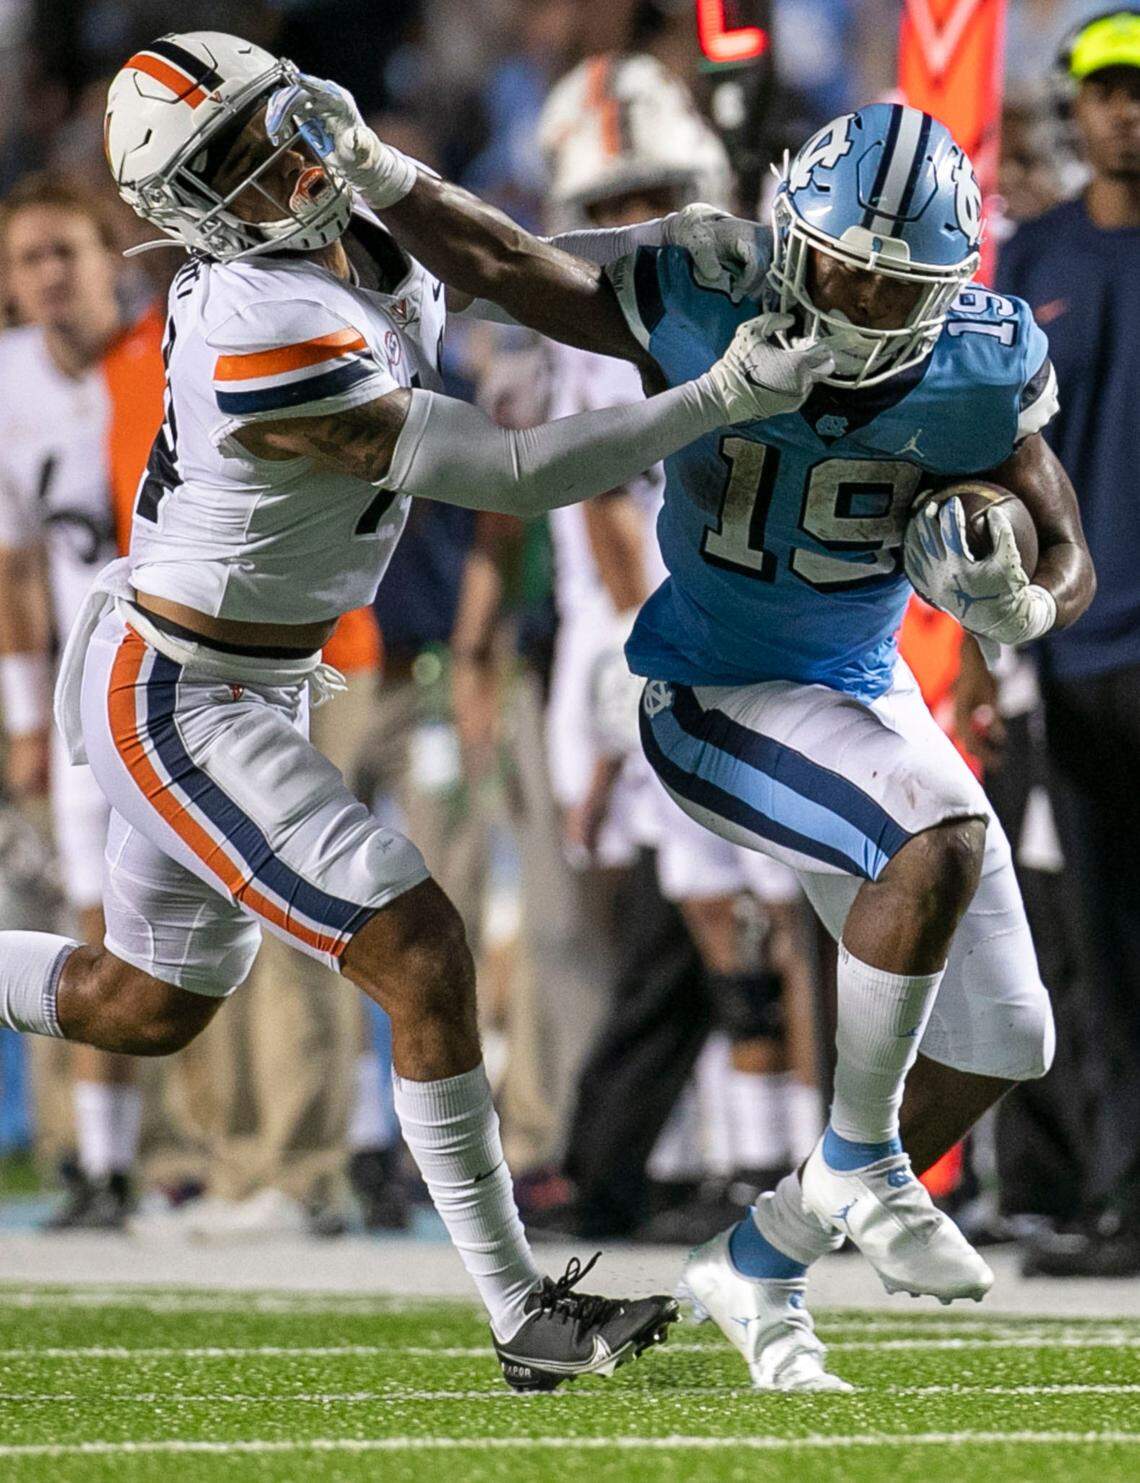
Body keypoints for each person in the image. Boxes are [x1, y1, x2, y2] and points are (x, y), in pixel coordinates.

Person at [0, 31, 833, 1391]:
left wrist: (673, 247)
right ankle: (524, 1313)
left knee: (140, 1004)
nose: (281, 164)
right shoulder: (255, 327)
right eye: (237, 160)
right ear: (187, 205)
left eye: (276, 126)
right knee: (421, 946)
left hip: (236, 671)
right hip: (181, 692)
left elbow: (505, 260)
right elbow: (510, 471)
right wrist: (720, 397)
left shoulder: (336, 240)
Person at [278, 79, 1094, 1390]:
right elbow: (505, 264)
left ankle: (763, 1255)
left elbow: (1066, 545)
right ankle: (866, 1159)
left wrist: (1027, 595)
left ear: (951, 285)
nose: (867, 307)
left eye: (899, 287)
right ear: (790, 238)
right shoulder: (710, 287)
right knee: (932, 840)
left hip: (858, 688)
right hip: (710, 686)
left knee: (1009, 1037)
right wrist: (376, 167)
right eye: (841, 271)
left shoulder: (982, 357)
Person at [994, 9, 1140, 1277]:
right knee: (1098, 948)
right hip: (1079, 660)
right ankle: (1127, 1204)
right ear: (1073, 108)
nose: (1127, 111)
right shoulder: (1032, 253)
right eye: (1107, 93)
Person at [0, 172, 165, 1228]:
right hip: (82, 701)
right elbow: (14, 566)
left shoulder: (168, 356)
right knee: (99, 928)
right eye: (29, 258)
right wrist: (23, 714)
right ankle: (104, 1168)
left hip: (195, 681)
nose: (50, 276)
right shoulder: (10, 382)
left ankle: (293, 1162)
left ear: (112, 257)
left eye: (67, 250)